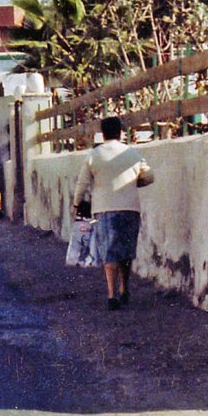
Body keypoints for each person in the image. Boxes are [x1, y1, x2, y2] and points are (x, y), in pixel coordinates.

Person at [72, 117, 154, 311]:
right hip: (130, 207)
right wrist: (134, 182)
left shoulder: (94, 155)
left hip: (104, 209)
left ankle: (111, 294)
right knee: (126, 250)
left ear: (103, 133)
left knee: (109, 252)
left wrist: (77, 203)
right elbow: (149, 176)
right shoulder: (133, 153)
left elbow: (82, 183)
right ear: (120, 132)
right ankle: (125, 288)